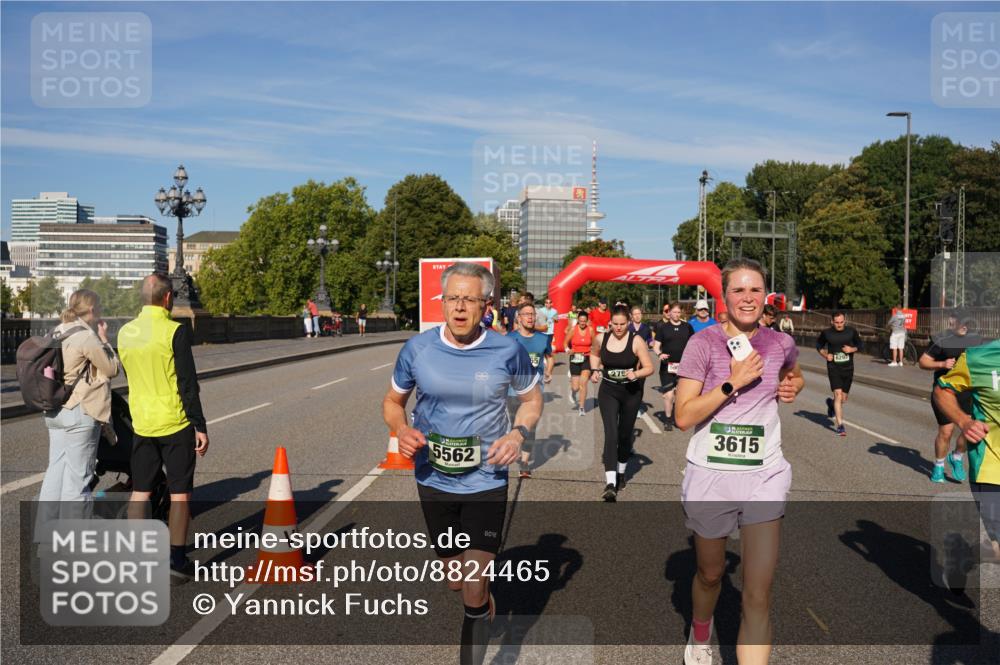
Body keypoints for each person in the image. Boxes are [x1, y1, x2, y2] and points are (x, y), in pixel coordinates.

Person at [382, 262, 543, 665]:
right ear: (442, 302)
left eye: (468, 299)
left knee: (472, 584)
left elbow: (532, 401)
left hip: (486, 478)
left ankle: (474, 630)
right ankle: (480, 601)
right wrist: (401, 429)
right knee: (456, 579)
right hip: (433, 476)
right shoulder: (417, 348)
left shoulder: (508, 349)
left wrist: (516, 435)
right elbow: (392, 402)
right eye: (452, 298)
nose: (458, 307)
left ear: (485, 305)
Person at [674, 257, 804, 665]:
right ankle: (700, 631)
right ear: (724, 296)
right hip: (710, 477)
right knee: (711, 574)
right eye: (738, 290)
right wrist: (733, 382)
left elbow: (794, 373)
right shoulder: (703, 343)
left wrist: (792, 385)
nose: (747, 298)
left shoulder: (779, 342)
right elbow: (682, 417)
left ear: (765, 295)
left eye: (755, 289)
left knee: (757, 593)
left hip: (764, 475)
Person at [120, 274, 209, 584]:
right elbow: (187, 384)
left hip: (142, 422)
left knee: (141, 491)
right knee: (180, 493)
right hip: (175, 422)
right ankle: (177, 559)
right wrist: (200, 425)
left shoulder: (125, 332)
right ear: (168, 298)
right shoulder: (175, 331)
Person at [36, 289, 120, 533]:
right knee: (78, 480)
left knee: (55, 473)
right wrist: (104, 339)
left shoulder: (56, 331)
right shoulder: (86, 336)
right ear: (92, 309)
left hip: (55, 411)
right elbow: (112, 368)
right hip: (79, 412)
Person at [933, 339, 1000, 562]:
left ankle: (964, 556)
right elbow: (942, 390)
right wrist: (964, 421)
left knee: (996, 550)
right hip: (991, 466)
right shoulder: (977, 358)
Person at [591, 304, 655, 501]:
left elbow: (649, 368)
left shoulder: (636, 341)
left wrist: (635, 373)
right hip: (608, 390)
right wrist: (595, 369)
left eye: (622, 324)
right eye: (615, 324)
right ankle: (610, 483)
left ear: (628, 323)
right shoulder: (602, 337)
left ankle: (621, 473)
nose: (618, 328)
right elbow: (593, 353)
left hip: (631, 392)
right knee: (611, 434)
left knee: (624, 435)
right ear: (610, 322)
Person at [920, 310, 985, 483]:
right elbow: (923, 362)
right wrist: (942, 363)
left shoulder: (975, 339)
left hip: (967, 392)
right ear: (952, 322)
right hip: (944, 392)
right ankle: (939, 466)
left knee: (969, 428)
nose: (965, 325)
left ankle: (956, 457)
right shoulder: (941, 339)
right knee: (946, 431)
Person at [509, 302, 552, 478]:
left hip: (535, 393)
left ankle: (525, 463)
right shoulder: (510, 338)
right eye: (526, 314)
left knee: (530, 427)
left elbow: (550, 357)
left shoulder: (543, 338)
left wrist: (548, 371)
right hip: (512, 391)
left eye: (532, 314)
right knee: (514, 425)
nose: (530, 317)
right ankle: (515, 447)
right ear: (518, 318)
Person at [816, 311, 861, 437]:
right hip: (833, 367)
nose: (839, 325)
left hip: (848, 368)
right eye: (837, 322)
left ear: (844, 321)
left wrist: (851, 349)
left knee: (843, 399)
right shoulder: (827, 333)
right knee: (838, 394)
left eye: (841, 322)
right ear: (832, 322)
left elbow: (860, 344)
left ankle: (831, 404)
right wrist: (825, 354)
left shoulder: (851, 331)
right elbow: (818, 345)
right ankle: (840, 425)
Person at [652, 302, 695, 431]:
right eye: (674, 312)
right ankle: (668, 419)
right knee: (669, 395)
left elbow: (693, 344)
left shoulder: (687, 327)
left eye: (678, 312)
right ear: (669, 312)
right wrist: (659, 354)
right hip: (667, 366)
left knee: (681, 395)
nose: (676, 314)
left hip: (684, 366)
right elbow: (656, 346)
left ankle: (679, 417)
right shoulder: (663, 328)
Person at [564, 310, 594, 416]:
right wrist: (568, 350)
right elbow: (565, 343)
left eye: (584, 321)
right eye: (580, 321)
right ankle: (572, 392)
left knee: (583, 384)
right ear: (578, 320)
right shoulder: (573, 330)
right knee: (576, 387)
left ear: (587, 321)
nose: (582, 323)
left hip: (586, 358)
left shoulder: (590, 330)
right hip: (574, 359)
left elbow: (594, 344)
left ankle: (581, 407)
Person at [537, 296, 558, 381]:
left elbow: (556, 320)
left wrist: (553, 318)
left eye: (550, 302)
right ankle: (538, 370)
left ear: (552, 304)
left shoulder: (554, 311)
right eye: (546, 303)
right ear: (545, 303)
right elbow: (537, 320)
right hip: (541, 332)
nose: (548, 304)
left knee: (548, 352)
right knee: (539, 350)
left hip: (549, 333)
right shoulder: (541, 310)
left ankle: (548, 372)